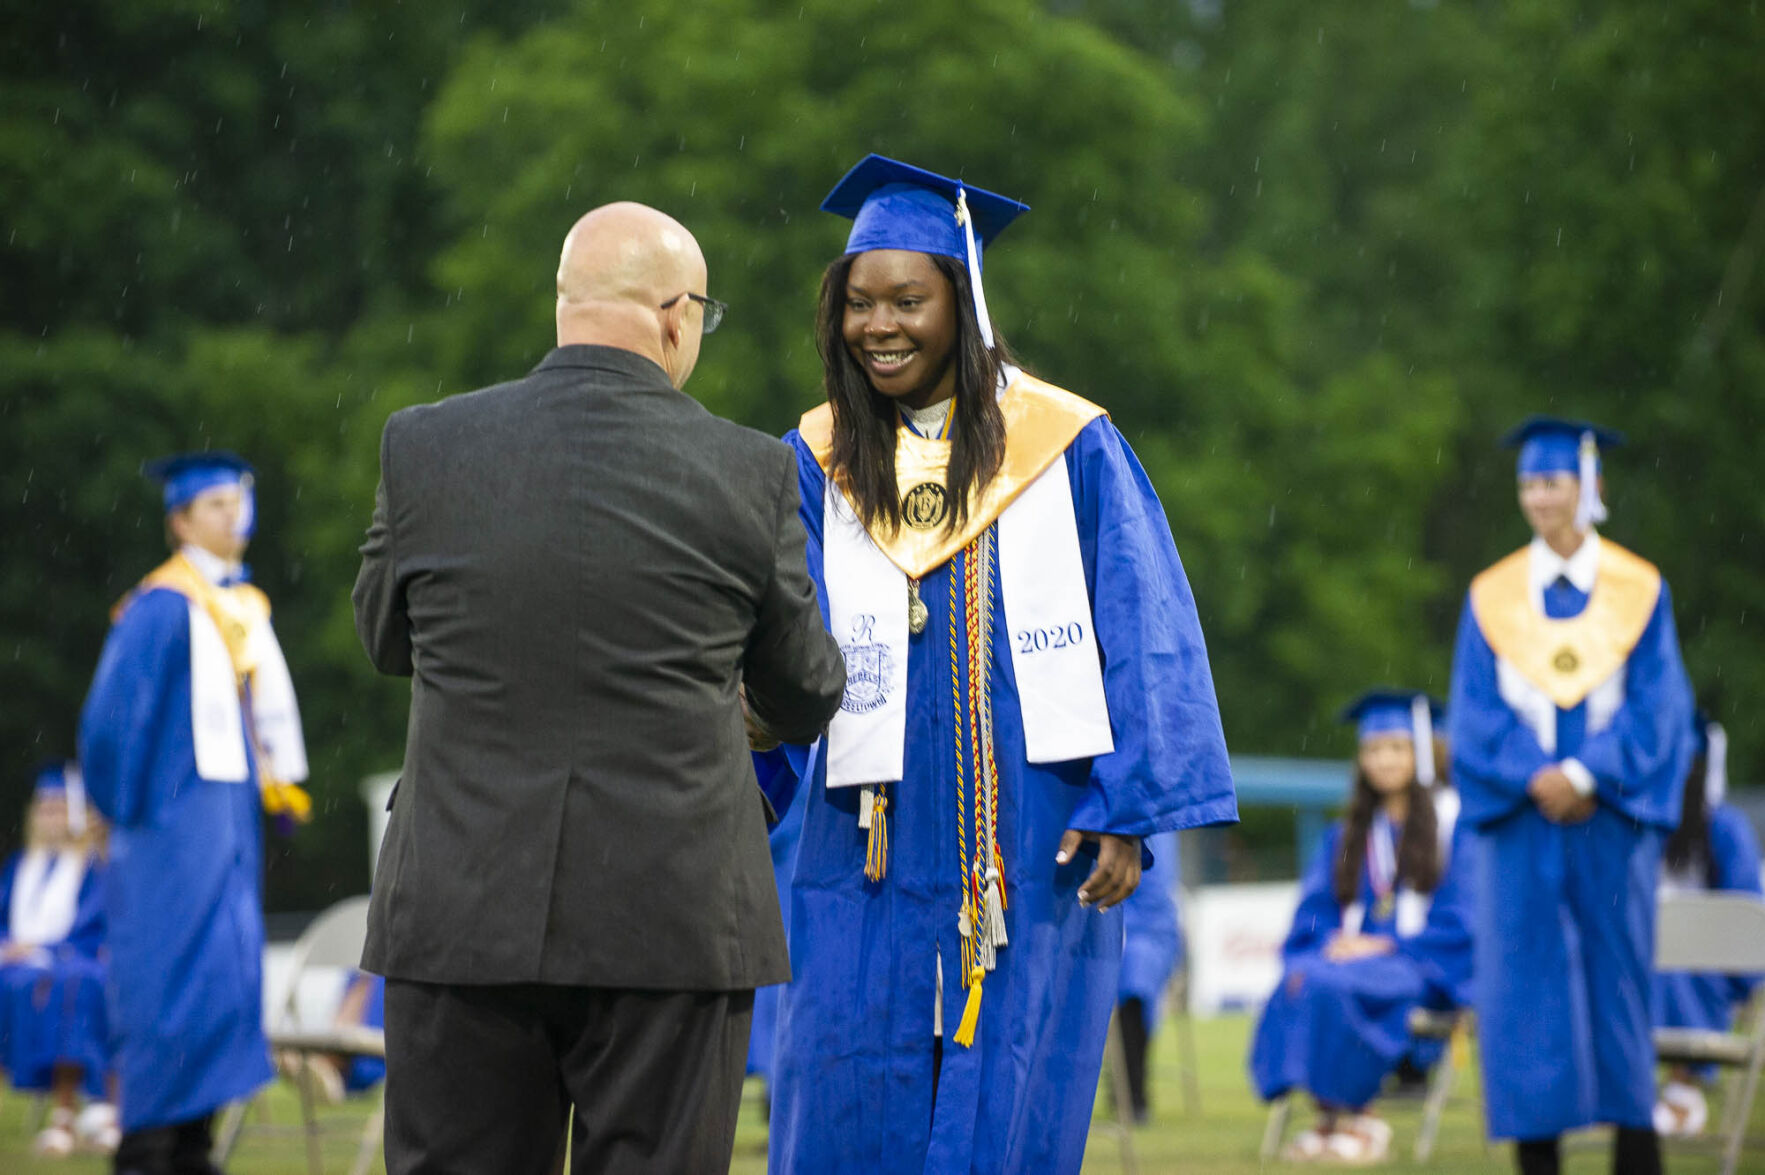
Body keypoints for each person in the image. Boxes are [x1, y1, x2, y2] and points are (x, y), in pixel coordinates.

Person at [352, 201, 846, 1175]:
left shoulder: (425, 447)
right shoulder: (748, 469)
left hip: (461, 906)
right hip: (672, 913)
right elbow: (805, 684)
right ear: (676, 316)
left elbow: (385, 637)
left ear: (563, 307)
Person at [766, 155, 1237, 1175]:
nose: (879, 324)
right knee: (845, 1083)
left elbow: (1141, 625)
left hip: (1029, 831)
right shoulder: (815, 459)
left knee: (1010, 1097)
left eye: (907, 299)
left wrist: (1125, 807)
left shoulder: (1067, 445)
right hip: (863, 839)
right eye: (859, 302)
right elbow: (770, 645)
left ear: (963, 301)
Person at [1448, 417, 1693, 1175]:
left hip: (1607, 818)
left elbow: (1659, 709)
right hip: (1521, 819)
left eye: (1551, 480)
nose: (1538, 496)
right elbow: (1474, 711)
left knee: (1616, 983)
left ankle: (1634, 1150)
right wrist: (1536, 774)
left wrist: (1586, 773)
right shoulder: (1490, 595)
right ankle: (1538, 1155)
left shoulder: (1639, 587)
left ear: (1588, 485)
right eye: (1527, 482)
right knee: (1525, 992)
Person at [80, 450, 311, 1175]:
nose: (230, 514)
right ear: (178, 520)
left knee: (221, 984)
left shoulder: (244, 605)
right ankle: (148, 1147)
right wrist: (130, 818)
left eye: (236, 500)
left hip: (227, 825)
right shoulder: (159, 608)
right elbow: (112, 728)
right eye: (212, 504)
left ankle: (192, 1146)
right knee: (166, 984)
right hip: (168, 830)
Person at [1249, 691, 1474, 1163]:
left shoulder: (1456, 826)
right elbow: (1314, 912)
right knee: (1304, 978)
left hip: (1421, 964)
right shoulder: (1348, 834)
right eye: (1373, 749)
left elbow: (1464, 921)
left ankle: (1360, 1116)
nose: (1384, 759)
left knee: (1335, 985)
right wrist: (1329, 942)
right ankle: (1328, 1119)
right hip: (1351, 961)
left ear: (1424, 753)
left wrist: (1382, 945)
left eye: (1397, 747)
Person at [1652, 712, 1764, 1137]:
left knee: (1680, 960)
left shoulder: (1726, 830)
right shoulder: (1648, 830)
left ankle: (1683, 1090)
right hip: (1654, 963)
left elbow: (1744, 926)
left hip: (1714, 973)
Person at [0, 760, 116, 1157]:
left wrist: (39, 950)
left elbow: (92, 932)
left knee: (74, 985)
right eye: (46, 809)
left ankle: (70, 1111)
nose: (52, 818)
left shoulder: (92, 865)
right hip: (19, 969)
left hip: (69, 965)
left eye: (61, 808)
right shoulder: (20, 867)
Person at [1115, 829, 1183, 1126]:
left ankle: (1133, 1090)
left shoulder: (1162, 832)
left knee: (1136, 973)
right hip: (1115, 923)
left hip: (1150, 933)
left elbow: (1157, 900)